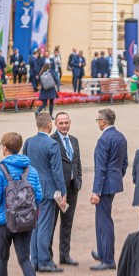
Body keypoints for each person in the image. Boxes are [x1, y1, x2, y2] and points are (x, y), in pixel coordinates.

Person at [0, 132, 44, 276]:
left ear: (5, 147)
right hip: (25, 220)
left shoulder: (0, 170)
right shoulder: (31, 170)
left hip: (3, 221)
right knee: (24, 258)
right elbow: (40, 195)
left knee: (1, 259)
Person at [23, 112, 67, 273]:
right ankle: (44, 261)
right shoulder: (52, 144)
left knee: (34, 225)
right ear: (49, 125)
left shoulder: (28, 142)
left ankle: (34, 260)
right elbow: (57, 171)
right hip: (48, 190)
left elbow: (24, 165)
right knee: (45, 226)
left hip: (31, 188)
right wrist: (63, 191)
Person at [91, 108, 129, 271]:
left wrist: (96, 191)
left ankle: (107, 258)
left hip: (104, 185)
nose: (98, 122)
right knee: (102, 219)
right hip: (113, 182)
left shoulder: (103, 139)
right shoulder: (120, 136)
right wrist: (117, 176)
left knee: (103, 220)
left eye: (98, 119)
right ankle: (103, 251)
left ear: (103, 121)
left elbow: (100, 168)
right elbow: (124, 162)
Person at [50, 112, 83, 265]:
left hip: (72, 188)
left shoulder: (74, 140)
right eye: (61, 123)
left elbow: (77, 163)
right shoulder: (52, 141)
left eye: (66, 123)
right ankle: (47, 256)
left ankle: (65, 255)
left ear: (70, 123)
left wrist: (79, 180)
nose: (64, 126)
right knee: (51, 222)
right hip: (57, 190)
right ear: (55, 124)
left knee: (67, 223)